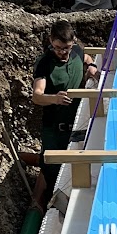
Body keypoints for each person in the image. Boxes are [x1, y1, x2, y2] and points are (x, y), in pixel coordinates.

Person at [31, 18, 97, 205]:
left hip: (76, 124)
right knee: (53, 170)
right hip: (54, 129)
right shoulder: (45, 63)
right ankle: (49, 205)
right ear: (51, 41)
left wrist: (92, 66)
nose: (62, 52)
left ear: (73, 42)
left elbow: (87, 58)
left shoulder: (77, 51)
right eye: (58, 47)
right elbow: (37, 96)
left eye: (66, 48)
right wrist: (55, 98)